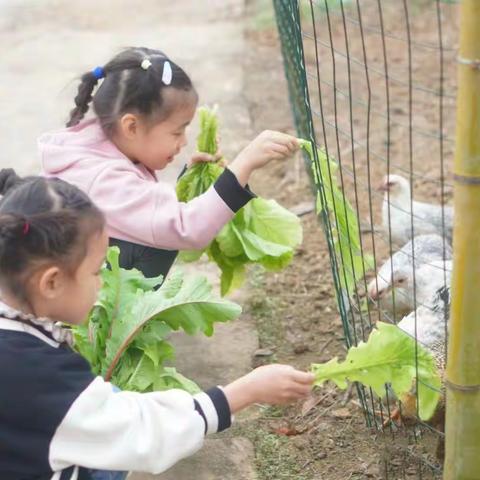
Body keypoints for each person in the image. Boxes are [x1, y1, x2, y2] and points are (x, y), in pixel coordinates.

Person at [0, 171, 314, 480]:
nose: (102, 284)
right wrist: (246, 391)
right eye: (96, 272)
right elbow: (139, 432)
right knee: (110, 448)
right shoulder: (37, 375)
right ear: (51, 282)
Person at [38, 47, 299, 279]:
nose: (184, 142)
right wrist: (243, 165)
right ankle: (104, 327)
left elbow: (136, 209)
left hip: (61, 280)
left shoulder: (98, 147)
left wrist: (187, 180)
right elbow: (186, 229)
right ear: (131, 126)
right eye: (177, 132)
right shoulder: (103, 178)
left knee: (153, 232)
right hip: (60, 295)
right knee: (157, 243)